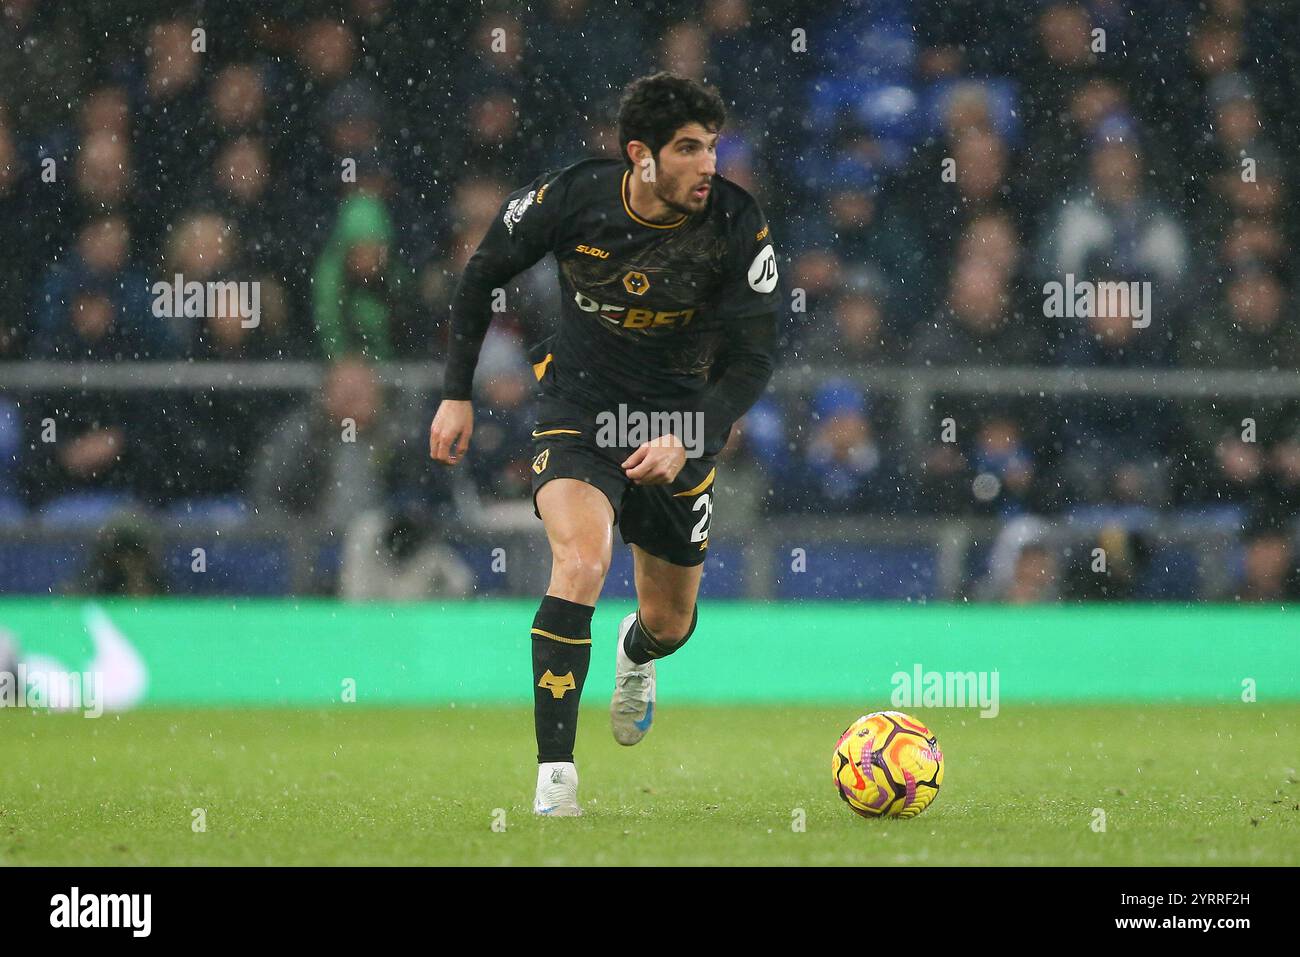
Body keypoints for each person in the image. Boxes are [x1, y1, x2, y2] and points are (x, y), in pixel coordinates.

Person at [429, 72, 780, 816]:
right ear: (640, 156)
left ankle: (634, 654)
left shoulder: (735, 222)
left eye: (712, 147)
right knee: (582, 561)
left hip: (677, 429)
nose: (708, 164)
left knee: (671, 623)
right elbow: (482, 273)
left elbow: (753, 360)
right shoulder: (573, 199)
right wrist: (456, 392)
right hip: (580, 413)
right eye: (689, 148)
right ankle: (556, 777)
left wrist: (688, 437)